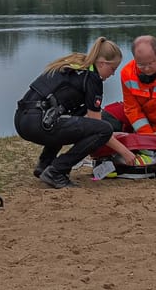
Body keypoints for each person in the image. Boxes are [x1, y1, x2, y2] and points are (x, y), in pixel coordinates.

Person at [15, 38, 137, 189]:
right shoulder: (93, 79)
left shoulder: (75, 65)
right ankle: (57, 171)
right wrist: (125, 152)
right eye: (113, 69)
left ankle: (45, 164)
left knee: (73, 116)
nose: (112, 75)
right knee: (104, 129)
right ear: (102, 63)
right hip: (39, 123)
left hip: (22, 119)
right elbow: (98, 126)